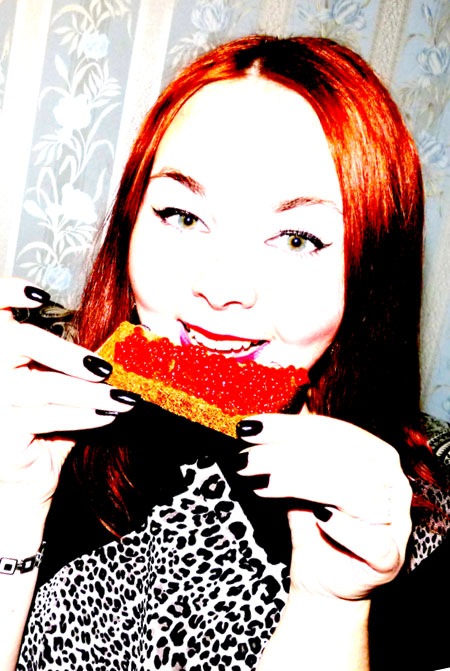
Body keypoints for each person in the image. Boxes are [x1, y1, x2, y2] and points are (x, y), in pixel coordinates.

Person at [1, 35, 449, 670]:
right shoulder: (32, 417)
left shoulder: (425, 513)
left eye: (297, 239)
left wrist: (332, 605)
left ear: (371, 273)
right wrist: (13, 506)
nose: (220, 287)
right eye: (183, 216)